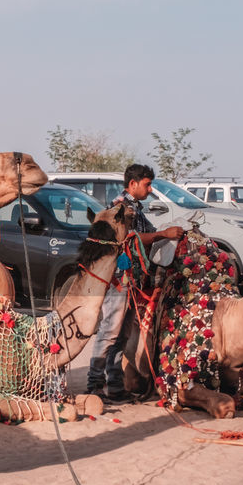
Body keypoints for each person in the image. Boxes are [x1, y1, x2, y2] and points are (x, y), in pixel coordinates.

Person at [86, 163, 184, 400]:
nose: (150, 189)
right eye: (147, 184)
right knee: (110, 331)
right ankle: (94, 385)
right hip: (120, 279)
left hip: (131, 279)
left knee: (121, 334)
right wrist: (164, 234)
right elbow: (129, 238)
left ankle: (116, 387)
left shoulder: (134, 208)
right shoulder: (120, 208)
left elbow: (145, 234)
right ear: (133, 184)